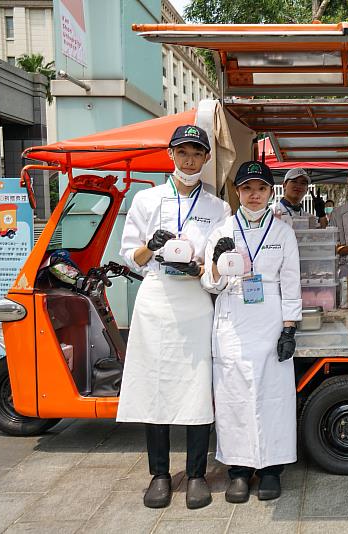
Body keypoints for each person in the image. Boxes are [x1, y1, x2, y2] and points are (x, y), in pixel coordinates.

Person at [117, 124, 230, 510]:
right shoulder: (147, 200)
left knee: (197, 388)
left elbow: (219, 261)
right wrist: (151, 247)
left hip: (196, 300)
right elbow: (127, 255)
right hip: (157, 299)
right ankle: (160, 474)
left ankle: (196, 474)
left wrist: (204, 266)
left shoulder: (218, 207)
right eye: (182, 152)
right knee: (155, 386)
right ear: (170, 154)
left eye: (197, 153)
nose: (189, 159)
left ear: (207, 158)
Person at [202, 160, 302, 502]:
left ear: (269, 191)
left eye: (261, 188)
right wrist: (215, 264)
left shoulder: (283, 232)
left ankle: (272, 468)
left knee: (274, 396)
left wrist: (289, 329)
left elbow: (291, 284)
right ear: (238, 192)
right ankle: (239, 470)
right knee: (233, 396)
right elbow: (210, 285)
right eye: (247, 189)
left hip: (271, 319)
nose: (254, 195)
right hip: (232, 317)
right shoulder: (221, 231)